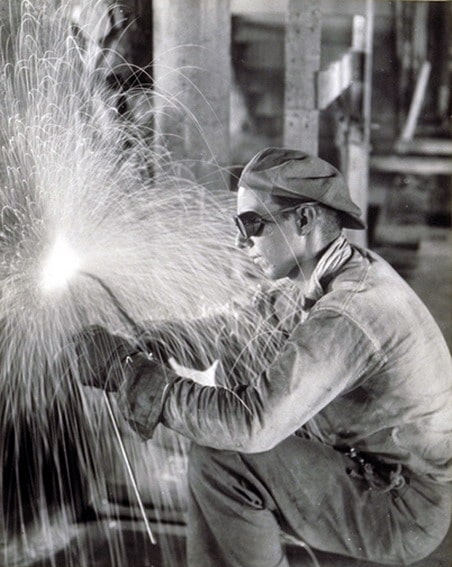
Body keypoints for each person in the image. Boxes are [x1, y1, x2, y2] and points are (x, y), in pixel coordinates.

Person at [75, 148, 452, 567]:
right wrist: (142, 340)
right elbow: (232, 330)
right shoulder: (322, 277)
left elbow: (251, 426)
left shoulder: (350, 312)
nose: (241, 241)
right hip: (375, 474)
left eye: (251, 225)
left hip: (403, 508)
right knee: (243, 377)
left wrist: (133, 376)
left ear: (304, 220)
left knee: (225, 456)